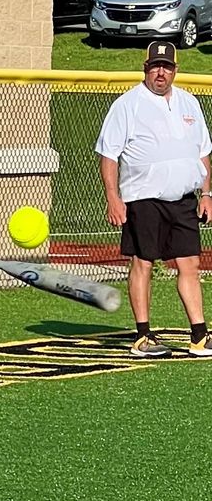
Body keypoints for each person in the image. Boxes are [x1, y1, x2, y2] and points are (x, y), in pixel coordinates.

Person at [96, 40, 212, 358]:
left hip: (183, 199)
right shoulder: (127, 105)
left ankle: (199, 336)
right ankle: (143, 336)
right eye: (155, 66)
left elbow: (203, 152)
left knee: (190, 264)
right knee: (143, 262)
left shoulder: (190, 103)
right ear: (145, 68)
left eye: (167, 67)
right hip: (143, 197)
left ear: (175, 70)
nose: (161, 72)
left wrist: (206, 194)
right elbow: (109, 155)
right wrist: (113, 197)